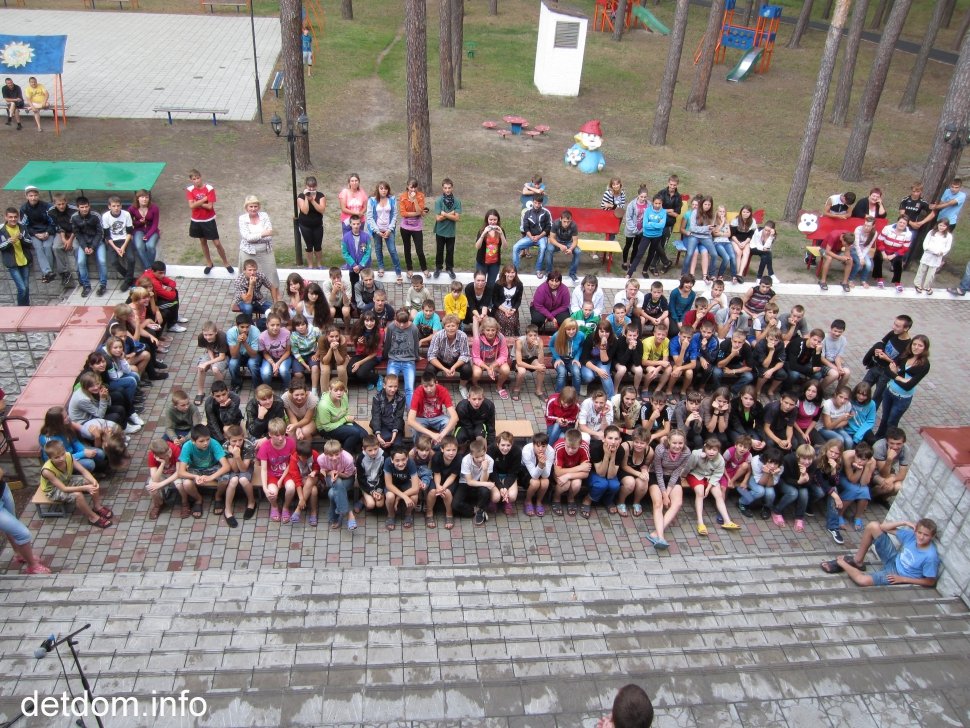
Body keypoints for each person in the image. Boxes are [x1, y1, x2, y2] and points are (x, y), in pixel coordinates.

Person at [823, 518, 939, 588]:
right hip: (894, 559)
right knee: (873, 526)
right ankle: (857, 561)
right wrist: (904, 522)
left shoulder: (930, 556)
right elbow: (883, 527)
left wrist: (902, 579)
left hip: (898, 574)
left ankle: (841, 563)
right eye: (919, 532)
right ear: (915, 531)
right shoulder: (912, 536)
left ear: (932, 536)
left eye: (926, 535)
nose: (921, 537)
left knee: (862, 581)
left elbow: (930, 582)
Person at [40, 440, 113, 529]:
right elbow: (64, 489)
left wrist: (93, 481)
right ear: (49, 458)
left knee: (91, 482)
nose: (61, 458)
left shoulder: (68, 456)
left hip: (66, 480)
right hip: (54, 490)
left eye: (62, 454)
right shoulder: (47, 471)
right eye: (56, 457)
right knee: (78, 495)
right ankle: (92, 517)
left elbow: (83, 470)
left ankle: (97, 507)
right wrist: (85, 488)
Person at [875, 334, 930, 439]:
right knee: (884, 418)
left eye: (920, 345)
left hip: (902, 398)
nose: (916, 347)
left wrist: (895, 373)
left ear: (925, 348)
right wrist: (899, 377)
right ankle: (878, 437)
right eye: (914, 344)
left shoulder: (924, 365)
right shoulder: (905, 354)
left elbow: (908, 386)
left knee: (892, 421)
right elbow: (887, 370)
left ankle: (890, 441)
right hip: (889, 391)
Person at [644, 429, 690, 549]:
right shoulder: (660, 449)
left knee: (677, 503)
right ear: (669, 441)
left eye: (680, 443)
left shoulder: (686, 452)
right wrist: (665, 495)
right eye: (674, 443)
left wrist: (668, 493)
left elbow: (676, 473)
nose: (677, 446)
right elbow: (658, 471)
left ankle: (656, 533)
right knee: (658, 503)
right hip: (656, 475)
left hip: (672, 477)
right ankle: (661, 537)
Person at [186, 169, 232, 275]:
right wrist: (203, 200)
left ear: (201, 177)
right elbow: (191, 206)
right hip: (196, 220)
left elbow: (210, 206)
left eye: (198, 178)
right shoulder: (189, 189)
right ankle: (209, 263)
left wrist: (197, 203)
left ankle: (226, 263)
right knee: (203, 242)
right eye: (194, 179)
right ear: (191, 180)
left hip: (208, 220)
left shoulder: (209, 188)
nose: (196, 181)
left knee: (217, 243)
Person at [862, 314, 913, 406]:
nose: (893, 327)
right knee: (862, 389)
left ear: (906, 328)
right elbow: (883, 343)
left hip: (887, 374)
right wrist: (878, 350)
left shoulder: (908, 346)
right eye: (894, 324)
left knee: (877, 397)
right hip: (876, 366)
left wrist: (887, 358)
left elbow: (900, 365)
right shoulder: (893, 333)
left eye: (897, 326)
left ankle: (869, 413)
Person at [255, 418, 296, 522]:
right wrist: (265, 488)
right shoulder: (265, 447)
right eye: (277, 435)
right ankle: (274, 506)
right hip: (272, 475)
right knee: (272, 493)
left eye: (283, 434)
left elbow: (291, 463)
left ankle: (286, 507)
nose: (281, 438)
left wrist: (281, 479)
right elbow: (264, 469)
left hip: (286, 473)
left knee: (291, 487)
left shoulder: (291, 443)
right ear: (270, 434)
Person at [237, 195, 277, 297]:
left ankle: (277, 297)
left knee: (272, 274)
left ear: (259, 207)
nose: (253, 209)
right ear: (246, 208)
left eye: (255, 206)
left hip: (266, 250)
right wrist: (263, 234)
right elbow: (247, 237)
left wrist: (254, 237)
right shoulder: (242, 219)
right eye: (251, 206)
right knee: (246, 275)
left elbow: (269, 236)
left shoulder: (264, 216)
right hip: (248, 251)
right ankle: (244, 297)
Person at [408, 370, 459, 445]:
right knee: (414, 428)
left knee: (449, 423)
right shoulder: (418, 392)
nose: (429, 389)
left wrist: (441, 435)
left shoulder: (442, 391)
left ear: (436, 383)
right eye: (425, 386)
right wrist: (432, 434)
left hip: (438, 417)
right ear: (422, 385)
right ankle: (419, 448)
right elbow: (410, 421)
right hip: (421, 418)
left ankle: (439, 447)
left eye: (431, 386)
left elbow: (455, 417)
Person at [315, 379, 367, 452]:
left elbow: (346, 411)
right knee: (355, 433)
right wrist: (345, 420)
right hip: (327, 429)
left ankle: (354, 449)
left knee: (364, 435)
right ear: (330, 390)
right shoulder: (324, 405)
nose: (339, 393)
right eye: (336, 390)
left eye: (341, 390)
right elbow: (327, 427)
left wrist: (349, 423)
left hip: (341, 421)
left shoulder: (344, 396)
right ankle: (344, 454)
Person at [366, 180, 402, 282]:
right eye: (381, 188)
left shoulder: (392, 199)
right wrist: (377, 231)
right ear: (378, 189)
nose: (384, 190)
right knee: (378, 249)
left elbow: (394, 215)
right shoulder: (372, 200)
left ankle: (398, 272)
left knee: (392, 250)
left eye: (385, 188)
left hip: (388, 229)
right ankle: (381, 267)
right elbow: (369, 217)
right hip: (377, 230)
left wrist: (389, 230)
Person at [317, 439, 357, 530]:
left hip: (347, 478)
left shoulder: (348, 459)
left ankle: (334, 518)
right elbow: (324, 471)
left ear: (341, 451)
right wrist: (330, 472)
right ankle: (348, 513)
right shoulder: (321, 459)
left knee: (332, 493)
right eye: (331, 455)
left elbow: (348, 475)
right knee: (337, 482)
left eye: (337, 454)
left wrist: (338, 474)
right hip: (330, 477)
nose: (334, 458)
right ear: (325, 454)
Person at [552, 428, 590, 518]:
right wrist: (579, 467)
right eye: (568, 446)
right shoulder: (559, 446)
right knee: (565, 484)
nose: (570, 450)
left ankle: (571, 498)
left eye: (574, 448)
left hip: (573, 474)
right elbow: (558, 472)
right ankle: (556, 498)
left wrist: (568, 476)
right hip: (560, 472)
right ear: (564, 441)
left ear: (580, 444)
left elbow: (586, 473)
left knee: (577, 484)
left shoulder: (584, 447)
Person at [383, 446, 423, 530]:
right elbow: (389, 485)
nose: (401, 463)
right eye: (397, 460)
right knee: (390, 496)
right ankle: (391, 515)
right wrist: (404, 496)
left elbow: (416, 488)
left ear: (407, 458)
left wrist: (398, 498)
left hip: (406, 483)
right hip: (393, 485)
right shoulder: (387, 462)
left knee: (414, 496)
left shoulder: (411, 463)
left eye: (403, 459)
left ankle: (408, 514)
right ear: (392, 460)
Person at [470, 317, 511, 399]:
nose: (490, 333)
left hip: (494, 361)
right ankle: (475, 386)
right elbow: (476, 358)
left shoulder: (501, 337)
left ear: (497, 330)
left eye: (493, 330)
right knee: (476, 373)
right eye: (488, 330)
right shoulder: (478, 339)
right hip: (481, 362)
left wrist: (492, 366)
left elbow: (503, 355)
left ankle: (499, 387)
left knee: (506, 370)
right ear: (483, 330)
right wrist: (487, 368)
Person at [512, 194, 552, 276]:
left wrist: (539, 236)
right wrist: (531, 237)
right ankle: (515, 269)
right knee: (515, 247)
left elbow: (548, 227)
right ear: (532, 202)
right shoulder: (527, 212)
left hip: (542, 237)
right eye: (535, 203)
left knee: (543, 248)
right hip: (529, 237)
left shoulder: (546, 212)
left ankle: (538, 269)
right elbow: (525, 227)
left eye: (539, 203)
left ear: (541, 203)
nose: (537, 205)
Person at [398, 177, 430, 278]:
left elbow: (420, 210)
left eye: (415, 187)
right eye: (411, 187)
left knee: (419, 249)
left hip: (417, 227)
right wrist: (417, 213)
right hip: (405, 227)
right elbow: (403, 213)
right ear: (407, 186)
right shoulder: (403, 197)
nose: (413, 189)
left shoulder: (420, 196)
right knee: (407, 248)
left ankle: (424, 268)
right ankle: (409, 269)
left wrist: (415, 200)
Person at [1, 206, 32, 305]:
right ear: (6, 217)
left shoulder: (22, 227)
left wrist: (22, 238)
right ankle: (20, 309)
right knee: (22, 288)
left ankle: (26, 307)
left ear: (18, 217)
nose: (13, 219)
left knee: (26, 287)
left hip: (24, 261)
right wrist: (8, 242)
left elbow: (30, 242)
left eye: (15, 217)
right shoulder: (1, 229)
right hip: (12, 263)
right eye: (10, 217)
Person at [873, 215, 912, 292]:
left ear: (906, 225)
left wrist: (894, 255)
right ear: (897, 222)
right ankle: (879, 278)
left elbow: (905, 248)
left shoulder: (909, 234)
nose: (901, 224)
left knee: (898, 264)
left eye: (904, 223)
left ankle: (897, 282)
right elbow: (879, 241)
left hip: (896, 252)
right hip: (884, 248)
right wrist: (883, 253)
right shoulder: (887, 228)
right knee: (877, 258)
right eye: (900, 222)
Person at [913, 219, 952, 295]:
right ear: (937, 224)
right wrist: (929, 249)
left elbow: (947, 247)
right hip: (928, 255)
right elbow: (925, 243)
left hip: (937, 257)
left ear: (947, 227)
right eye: (940, 225)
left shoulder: (948, 236)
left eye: (944, 226)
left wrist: (941, 252)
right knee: (922, 270)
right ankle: (917, 284)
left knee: (931, 274)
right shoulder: (931, 232)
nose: (941, 227)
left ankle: (927, 286)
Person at [433, 178, 461, 280]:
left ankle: (449, 268)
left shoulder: (457, 201)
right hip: (440, 231)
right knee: (439, 251)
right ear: (442, 188)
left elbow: (457, 218)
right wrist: (451, 213)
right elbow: (438, 218)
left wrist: (444, 214)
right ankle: (438, 267)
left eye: (449, 188)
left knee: (450, 251)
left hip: (451, 232)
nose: (447, 190)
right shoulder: (439, 201)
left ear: (452, 188)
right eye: (445, 188)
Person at [870, 428, 910, 500]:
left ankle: (881, 498)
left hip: (889, 469)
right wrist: (889, 459)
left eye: (899, 444)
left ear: (904, 442)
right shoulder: (878, 446)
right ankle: (868, 496)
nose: (895, 447)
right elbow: (883, 474)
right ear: (886, 441)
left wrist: (892, 479)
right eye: (892, 443)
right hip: (873, 471)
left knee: (898, 487)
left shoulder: (905, 449)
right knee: (889, 487)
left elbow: (902, 474)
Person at [522, 432, 555, 517]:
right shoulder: (526, 451)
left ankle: (539, 501)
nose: (541, 449)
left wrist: (543, 465)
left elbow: (546, 475)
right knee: (535, 483)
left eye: (543, 446)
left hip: (543, 472)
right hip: (527, 471)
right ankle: (528, 501)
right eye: (538, 446)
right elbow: (534, 475)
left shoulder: (551, 451)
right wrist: (540, 465)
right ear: (533, 445)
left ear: (547, 445)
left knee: (545, 482)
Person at [297, 176, 326, 270]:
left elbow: (322, 210)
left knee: (318, 246)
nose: (312, 189)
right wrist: (306, 198)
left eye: (313, 187)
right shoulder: (301, 196)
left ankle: (319, 264)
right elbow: (305, 211)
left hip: (317, 225)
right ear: (306, 186)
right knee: (309, 246)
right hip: (305, 225)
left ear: (316, 186)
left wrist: (312, 200)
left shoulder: (320, 196)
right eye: (309, 187)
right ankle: (310, 265)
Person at [544, 209, 581, 282]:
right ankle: (549, 272)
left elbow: (575, 241)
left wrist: (570, 249)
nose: (566, 224)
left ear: (571, 220)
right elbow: (551, 238)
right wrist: (560, 245)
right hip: (557, 242)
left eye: (568, 222)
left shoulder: (573, 225)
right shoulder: (556, 224)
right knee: (549, 249)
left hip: (569, 242)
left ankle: (572, 273)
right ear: (561, 219)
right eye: (564, 221)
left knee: (578, 252)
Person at [474, 209, 508, 287]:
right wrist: (483, 234)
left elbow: (505, 247)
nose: (492, 222)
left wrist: (501, 234)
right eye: (490, 220)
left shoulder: (500, 230)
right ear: (487, 220)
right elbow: (477, 246)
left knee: (491, 285)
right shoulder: (482, 230)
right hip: (482, 263)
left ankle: (489, 295)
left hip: (494, 263)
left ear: (498, 220)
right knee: (480, 284)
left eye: (495, 220)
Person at [550, 318, 584, 393]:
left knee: (576, 372)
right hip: (560, 358)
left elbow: (581, 346)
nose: (571, 332)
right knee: (562, 372)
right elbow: (551, 346)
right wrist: (557, 358)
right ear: (564, 329)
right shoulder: (557, 335)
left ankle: (575, 395)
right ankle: (559, 394)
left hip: (572, 359)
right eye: (568, 329)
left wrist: (577, 358)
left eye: (573, 329)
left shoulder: (580, 335)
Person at [258, 312, 292, 387]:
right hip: (269, 357)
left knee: (283, 370)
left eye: (278, 325)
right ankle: (267, 388)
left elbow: (288, 351)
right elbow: (265, 353)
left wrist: (278, 363)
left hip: (284, 357)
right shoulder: (262, 337)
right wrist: (273, 364)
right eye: (272, 325)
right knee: (265, 373)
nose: (275, 328)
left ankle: (288, 387)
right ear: (267, 325)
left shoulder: (287, 333)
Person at [847, 215, 877, 288]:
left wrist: (862, 257)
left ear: (873, 226)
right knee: (858, 263)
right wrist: (861, 258)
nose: (866, 227)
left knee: (869, 264)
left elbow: (868, 246)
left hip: (863, 251)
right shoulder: (858, 229)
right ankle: (850, 279)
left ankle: (863, 280)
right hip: (854, 249)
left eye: (868, 226)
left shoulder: (874, 233)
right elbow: (856, 245)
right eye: (865, 225)